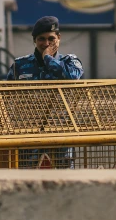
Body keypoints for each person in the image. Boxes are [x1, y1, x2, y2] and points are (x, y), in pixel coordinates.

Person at [7, 16, 83, 168]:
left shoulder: (70, 61)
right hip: (28, 133)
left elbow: (72, 77)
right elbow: (5, 96)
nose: (46, 44)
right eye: (41, 39)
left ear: (59, 38)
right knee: (27, 177)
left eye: (51, 39)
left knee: (64, 179)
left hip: (61, 132)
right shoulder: (19, 65)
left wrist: (48, 58)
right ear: (34, 40)